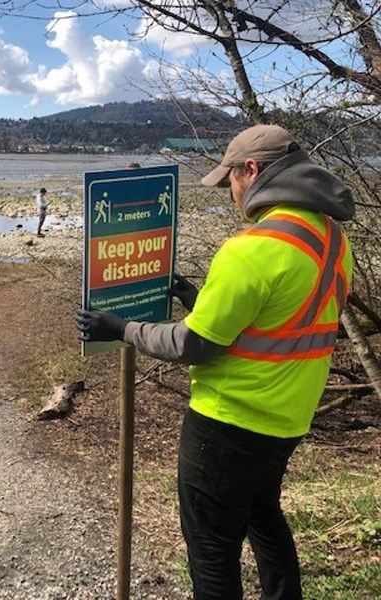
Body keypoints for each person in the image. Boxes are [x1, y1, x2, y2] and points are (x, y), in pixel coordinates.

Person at [74, 124, 354, 600]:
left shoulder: (252, 249)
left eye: (231, 182)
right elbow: (277, 319)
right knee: (264, 517)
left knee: (211, 549)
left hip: (227, 424)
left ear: (253, 170)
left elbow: (195, 346)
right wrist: (197, 297)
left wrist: (120, 329)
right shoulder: (331, 239)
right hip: (287, 419)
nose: (231, 194)